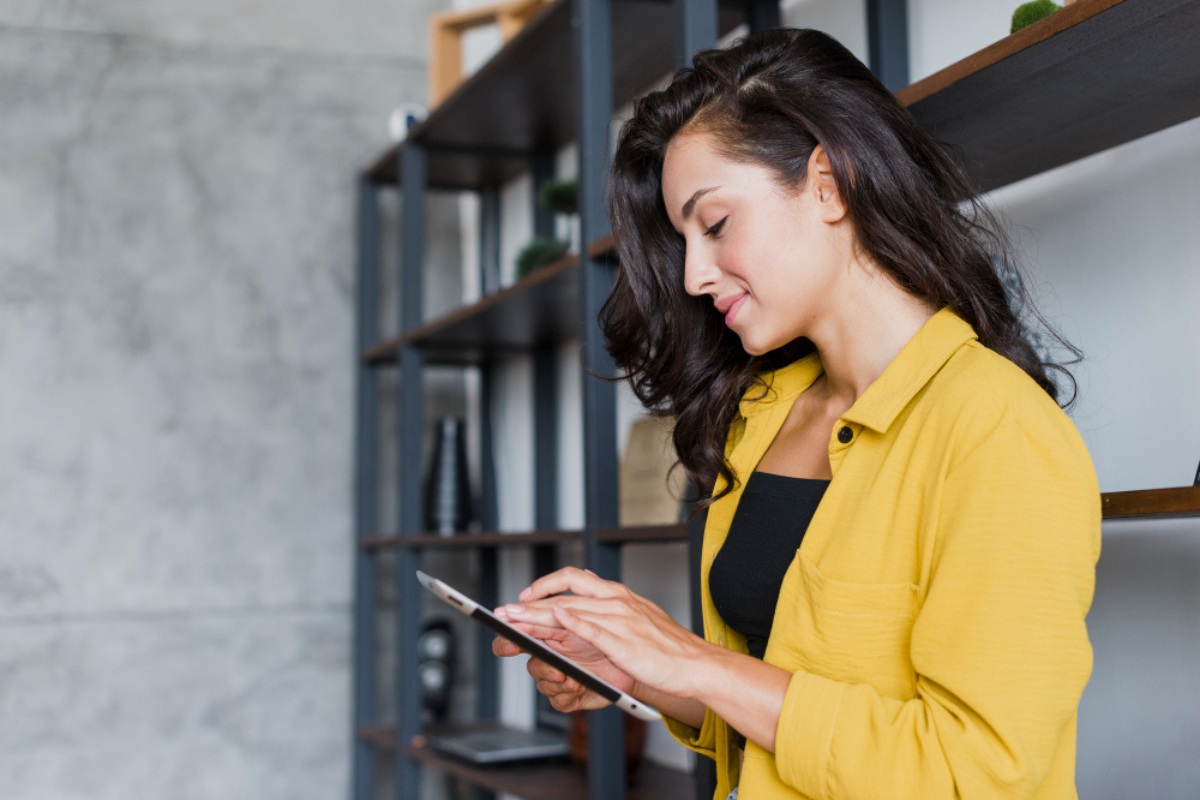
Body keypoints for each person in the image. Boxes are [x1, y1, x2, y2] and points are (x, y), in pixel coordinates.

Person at [492, 27, 1100, 800]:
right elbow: (772, 719)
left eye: (713, 225)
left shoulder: (995, 431)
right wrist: (641, 670)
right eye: (682, 242)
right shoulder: (759, 415)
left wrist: (695, 661)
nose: (694, 275)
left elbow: (972, 773)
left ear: (828, 184)